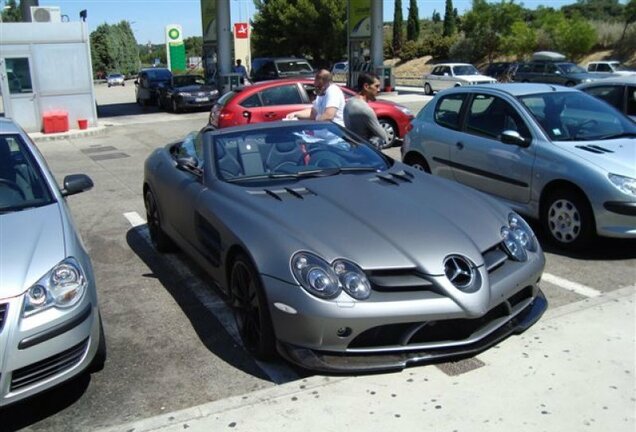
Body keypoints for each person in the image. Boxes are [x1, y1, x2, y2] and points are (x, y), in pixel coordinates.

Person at [343, 72, 387, 148]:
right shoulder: (365, 110)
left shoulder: (348, 104)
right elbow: (384, 137)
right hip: (365, 153)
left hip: (352, 150)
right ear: (366, 86)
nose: (379, 90)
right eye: (376, 86)